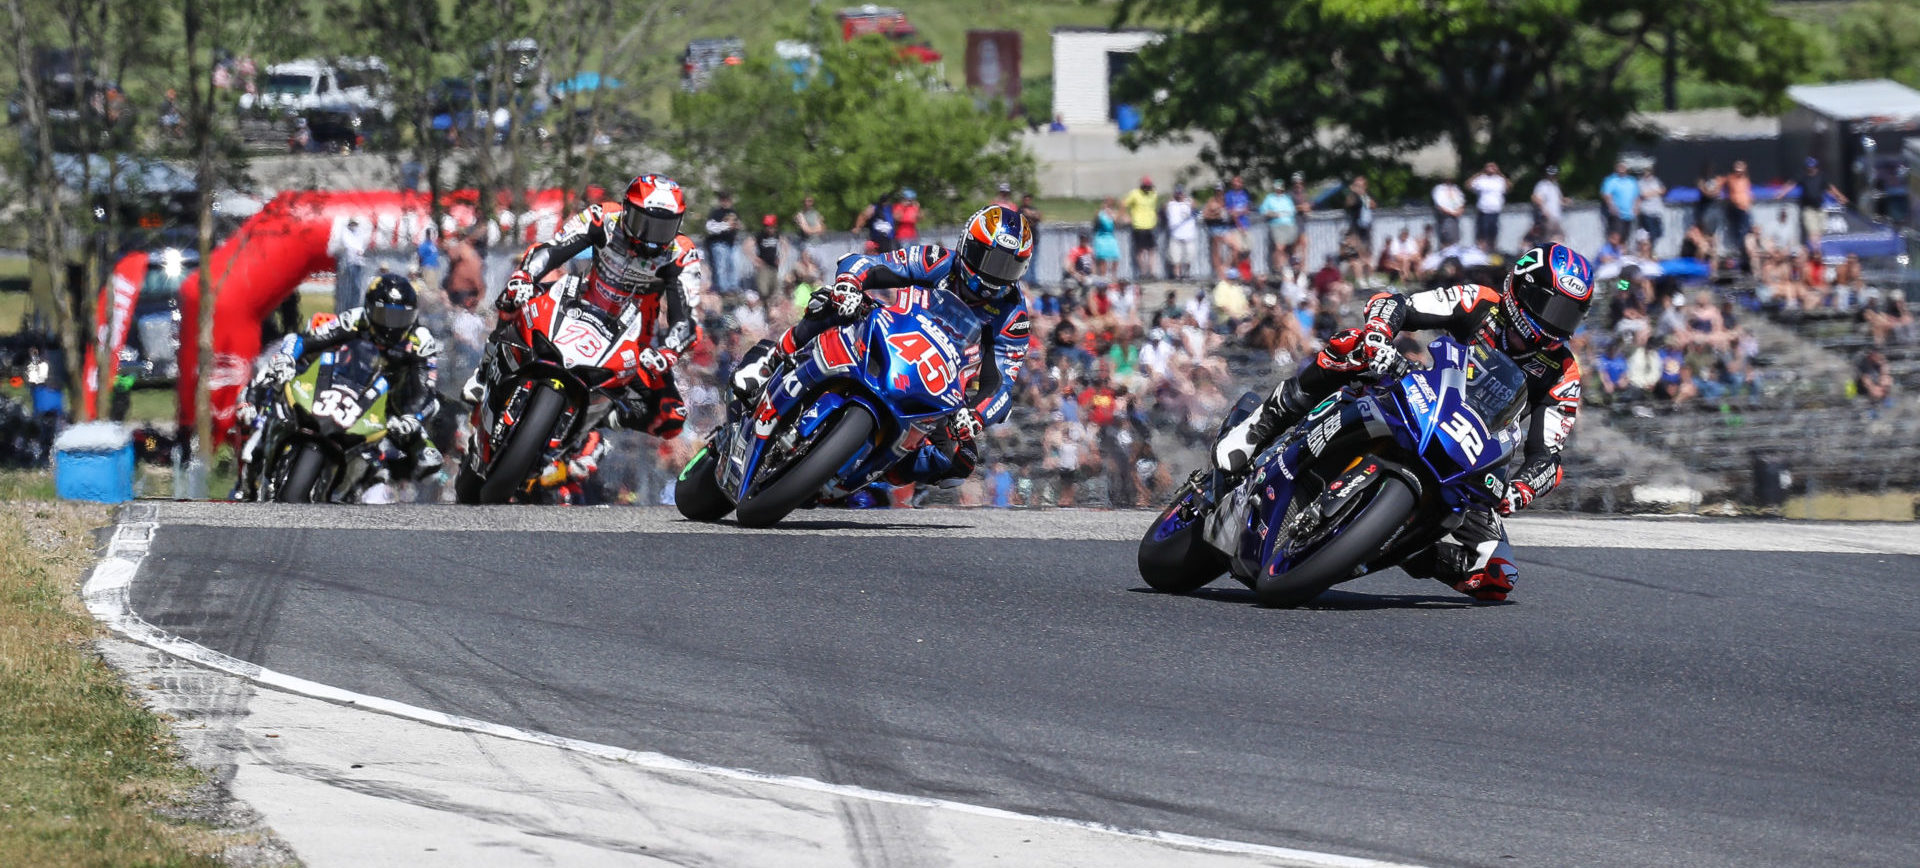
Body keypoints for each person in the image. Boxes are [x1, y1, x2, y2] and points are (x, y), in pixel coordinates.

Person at [1213, 243, 1596, 602]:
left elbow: (1548, 454)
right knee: (1355, 345)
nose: (1555, 324)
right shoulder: (1481, 302)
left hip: (1470, 457)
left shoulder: (1563, 372)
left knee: (1496, 575)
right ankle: (1263, 422)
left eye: (1568, 315)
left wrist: (1521, 489)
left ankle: (1391, 541)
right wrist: (1380, 335)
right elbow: (1399, 304)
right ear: (1522, 290)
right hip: (1420, 396)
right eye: (1551, 307)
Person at [729, 204, 1035, 487]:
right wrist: (850, 283)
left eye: (1009, 267)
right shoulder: (938, 261)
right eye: (991, 260)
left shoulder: (1013, 316)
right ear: (968, 246)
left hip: (939, 384)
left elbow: (1002, 386)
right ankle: (773, 358)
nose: (996, 276)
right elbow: (869, 264)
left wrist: (976, 416)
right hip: (891, 334)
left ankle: (878, 472)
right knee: (833, 301)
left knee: (960, 462)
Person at [477, 173, 703, 439]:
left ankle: (596, 421)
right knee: (515, 294)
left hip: (629, 345)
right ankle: (485, 368)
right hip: (575, 306)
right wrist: (524, 277)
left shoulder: (682, 254)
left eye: (663, 228)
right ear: (627, 210)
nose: (652, 238)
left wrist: (668, 352)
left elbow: (686, 318)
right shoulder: (604, 217)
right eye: (645, 223)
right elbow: (553, 248)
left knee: (672, 416)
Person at [235, 276, 443, 499]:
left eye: (400, 317)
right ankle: (255, 427)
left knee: (426, 455)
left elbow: (425, 389)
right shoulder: (355, 319)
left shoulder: (421, 341)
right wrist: (287, 358)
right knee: (274, 373)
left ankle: (368, 487)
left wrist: (412, 417)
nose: (391, 325)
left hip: (389, 403)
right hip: (340, 385)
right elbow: (305, 339)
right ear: (370, 309)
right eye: (385, 315)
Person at [1791, 157, 1847, 252]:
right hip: (1808, 209)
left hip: (1820, 208)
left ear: (1816, 167)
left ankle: (1817, 248)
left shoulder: (1821, 176)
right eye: (1809, 167)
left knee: (1821, 230)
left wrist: (1840, 197)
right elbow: (1791, 184)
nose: (1811, 169)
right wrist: (1780, 193)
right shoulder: (1803, 177)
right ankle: (1816, 250)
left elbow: (1830, 188)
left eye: (1813, 167)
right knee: (1813, 231)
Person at [329, 216, 373, 313]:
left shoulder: (359, 234)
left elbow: (362, 247)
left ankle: (354, 308)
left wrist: (361, 252)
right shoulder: (345, 234)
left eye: (355, 224)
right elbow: (345, 246)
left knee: (356, 288)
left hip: (358, 264)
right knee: (348, 288)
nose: (353, 226)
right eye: (352, 224)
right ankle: (346, 309)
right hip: (348, 264)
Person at [1121, 176, 1160, 279]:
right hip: (1139, 225)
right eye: (1146, 186)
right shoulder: (1135, 193)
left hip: (1150, 225)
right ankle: (1143, 273)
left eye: (1149, 186)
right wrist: (1125, 216)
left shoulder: (1153, 194)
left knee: (1152, 250)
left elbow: (1154, 207)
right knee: (1141, 250)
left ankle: (1152, 273)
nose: (1148, 188)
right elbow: (1123, 203)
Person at [704, 191, 742, 294]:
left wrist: (737, 226)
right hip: (719, 243)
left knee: (733, 266)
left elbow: (738, 225)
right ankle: (723, 289)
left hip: (731, 243)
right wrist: (726, 225)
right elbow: (709, 228)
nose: (726, 202)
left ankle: (733, 288)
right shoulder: (716, 213)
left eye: (728, 199)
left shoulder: (734, 212)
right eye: (724, 200)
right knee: (721, 267)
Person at [1259, 178, 1297, 273]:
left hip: (1289, 224)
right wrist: (1273, 214)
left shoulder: (1287, 198)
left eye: (1281, 188)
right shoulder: (1270, 198)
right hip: (1277, 225)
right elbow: (1263, 210)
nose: (1279, 189)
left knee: (1291, 248)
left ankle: (1289, 266)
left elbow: (1292, 211)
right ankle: (1277, 268)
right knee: (1279, 248)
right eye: (1277, 188)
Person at [1467, 162, 1508, 249]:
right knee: (1482, 233)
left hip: (1495, 211)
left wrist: (1499, 172)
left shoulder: (1500, 180)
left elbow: (1508, 187)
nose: (1491, 169)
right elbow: (1468, 185)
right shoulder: (1481, 179)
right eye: (1489, 167)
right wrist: (1480, 173)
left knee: (1493, 233)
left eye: (1493, 167)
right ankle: (1481, 250)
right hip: (1484, 211)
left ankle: (1492, 250)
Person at [1166, 185, 1199, 280]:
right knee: (1175, 257)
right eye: (1177, 193)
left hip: (1188, 235)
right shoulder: (1171, 204)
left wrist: (1190, 202)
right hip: (1175, 235)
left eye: (1181, 193)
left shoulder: (1189, 203)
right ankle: (1177, 275)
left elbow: (1197, 211)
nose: (1179, 195)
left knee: (1189, 256)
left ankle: (1187, 274)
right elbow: (1164, 208)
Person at [1600, 162, 1638, 242]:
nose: (1621, 169)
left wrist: (1636, 208)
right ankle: (1614, 253)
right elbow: (1606, 194)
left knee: (1625, 236)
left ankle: (1622, 253)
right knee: (1616, 236)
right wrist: (1611, 206)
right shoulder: (1611, 180)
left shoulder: (1631, 181)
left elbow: (1636, 196)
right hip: (1617, 214)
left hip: (1629, 214)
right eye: (1620, 167)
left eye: (1623, 167)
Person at [753, 214, 784, 297]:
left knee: (775, 290)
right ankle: (764, 305)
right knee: (763, 290)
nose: (768, 228)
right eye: (766, 226)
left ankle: (771, 307)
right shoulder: (760, 235)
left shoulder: (777, 235)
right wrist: (755, 259)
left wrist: (782, 258)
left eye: (770, 226)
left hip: (774, 267)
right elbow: (747, 246)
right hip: (764, 266)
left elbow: (785, 245)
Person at [1531, 165, 1563, 240]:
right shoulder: (1542, 185)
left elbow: (1558, 199)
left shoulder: (1555, 185)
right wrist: (1544, 211)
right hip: (1547, 216)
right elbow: (1536, 198)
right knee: (1548, 237)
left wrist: (1565, 201)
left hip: (1556, 216)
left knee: (1558, 237)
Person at [1636, 165, 1667, 244]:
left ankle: (1651, 249)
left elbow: (1663, 190)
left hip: (1657, 211)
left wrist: (1653, 192)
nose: (1648, 174)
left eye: (1649, 172)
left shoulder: (1656, 180)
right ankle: (1650, 251)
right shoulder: (1640, 183)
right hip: (1647, 211)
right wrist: (1656, 191)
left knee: (1659, 233)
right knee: (1650, 233)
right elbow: (1644, 195)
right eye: (1646, 172)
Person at [1431, 175, 1466, 246]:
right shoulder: (1439, 189)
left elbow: (1462, 201)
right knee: (1446, 237)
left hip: (1456, 217)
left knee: (1455, 237)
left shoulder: (1456, 188)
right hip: (1445, 217)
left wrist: (1460, 210)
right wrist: (1451, 213)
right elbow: (1439, 205)